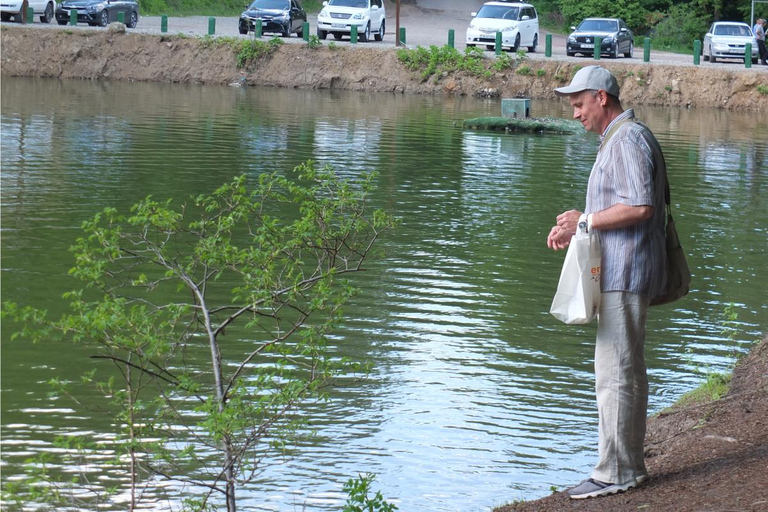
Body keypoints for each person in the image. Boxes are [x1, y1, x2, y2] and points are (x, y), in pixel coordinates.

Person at [547, 66, 668, 499]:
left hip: (625, 271)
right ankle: (628, 466)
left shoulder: (628, 138)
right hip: (622, 269)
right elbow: (617, 208)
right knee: (627, 372)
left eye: (579, 104)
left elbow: (640, 206)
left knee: (614, 374)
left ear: (602, 98)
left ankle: (614, 472)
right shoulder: (618, 138)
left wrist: (587, 220)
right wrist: (577, 225)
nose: (575, 114)